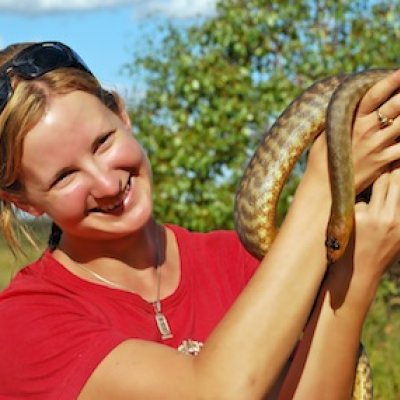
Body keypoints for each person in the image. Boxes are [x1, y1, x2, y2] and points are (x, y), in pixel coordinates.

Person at [0, 41, 399, 400]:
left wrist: (356, 275)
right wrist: (326, 184)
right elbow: (214, 393)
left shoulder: (244, 260)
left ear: (122, 114)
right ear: (23, 202)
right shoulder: (22, 325)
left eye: (103, 142)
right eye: (64, 176)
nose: (106, 182)